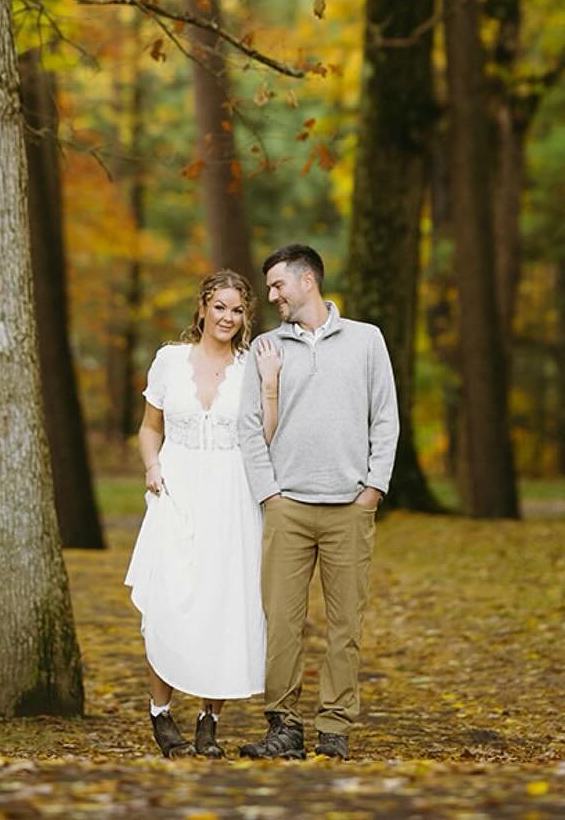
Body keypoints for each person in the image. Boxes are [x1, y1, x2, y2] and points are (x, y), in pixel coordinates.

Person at [237, 243, 399, 762]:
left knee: (345, 624)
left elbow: (386, 419)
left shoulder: (366, 340)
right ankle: (283, 726)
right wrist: (269, 492)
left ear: (308, 280)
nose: (272, 296)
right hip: (288, 507)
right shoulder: (266, 346)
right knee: (281, 623)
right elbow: (247, 430)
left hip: (349, 507)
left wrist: (373, 488)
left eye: (278, 285)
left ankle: (335, 728)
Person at [124, 270, 266, 758]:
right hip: (176, 490)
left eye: (238, 309)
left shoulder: (253, 368)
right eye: (220, 306)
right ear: (203, 307)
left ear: (246, 317)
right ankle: (161, 714)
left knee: (223, 606)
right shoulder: (169, 360)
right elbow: (149, 428)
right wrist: (151, 466)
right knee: (168, 602)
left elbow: (265, 433)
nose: (228, 317)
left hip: (232, 496)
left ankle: (210, 721)